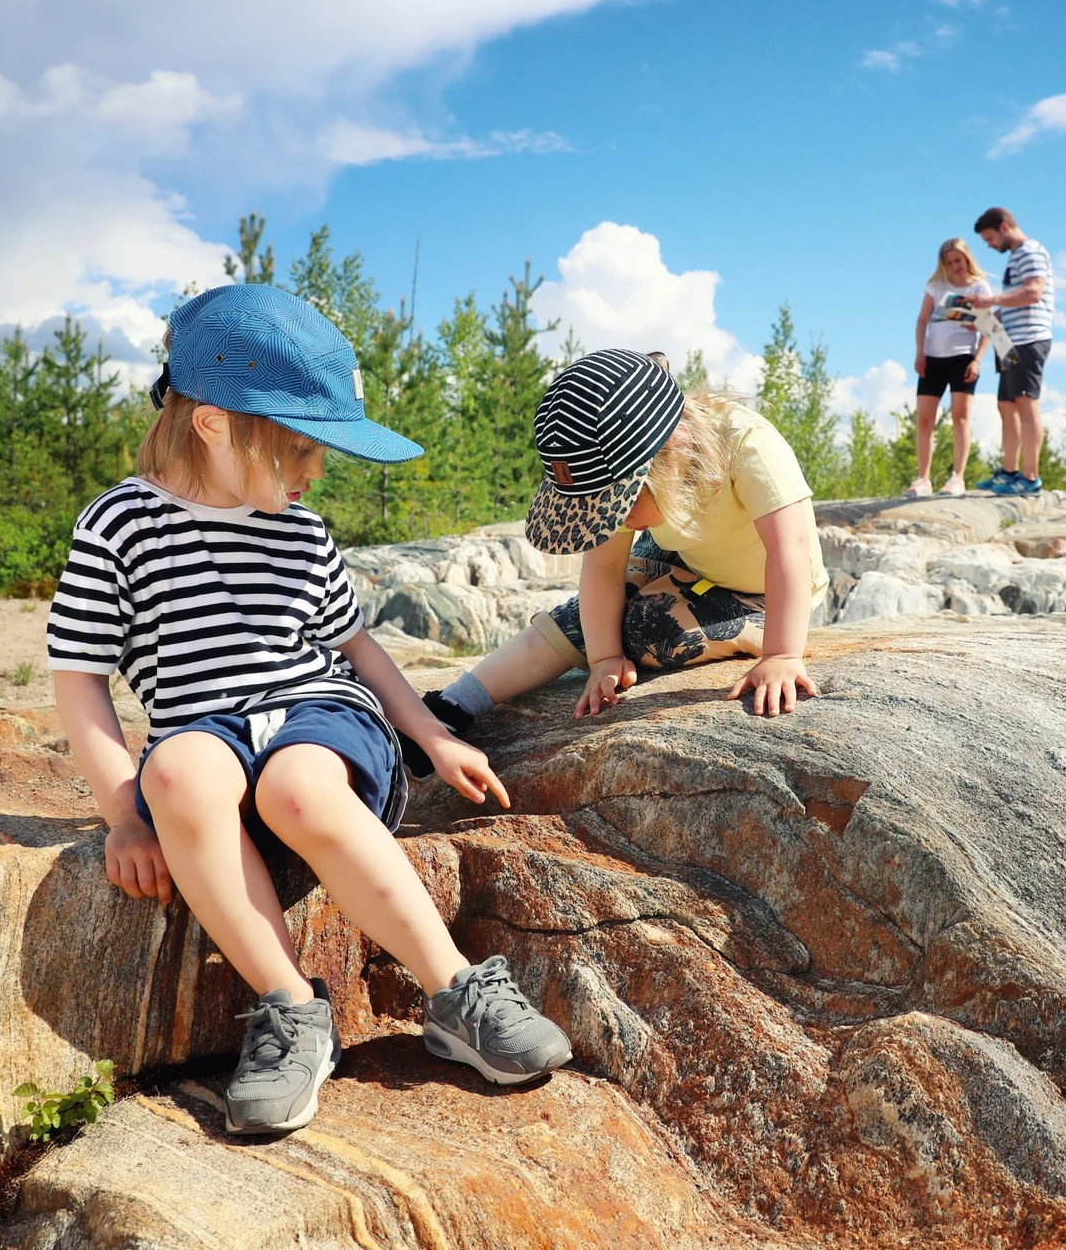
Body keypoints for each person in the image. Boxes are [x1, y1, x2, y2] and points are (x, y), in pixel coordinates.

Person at [48, 284, 571, 1137]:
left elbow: (358, 647)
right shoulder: (121, 525)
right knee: (175, 774)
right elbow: (80, 676)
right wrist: (126, 814)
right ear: (213, 424)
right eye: (300, 448)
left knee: (298, 789)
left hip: (318, 713)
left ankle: (456, 990)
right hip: (203, 726)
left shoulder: (302, 530)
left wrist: (431, 733)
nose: (316, 470)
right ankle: (292, 1009)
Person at [407, 348, 827, 749]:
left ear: (670, 453)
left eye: (617, 504)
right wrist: (604, 658)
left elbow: (789, 548)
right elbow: (603, 570)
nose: (613, 520)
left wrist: (781, 655)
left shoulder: (747, 441)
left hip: (764, 592)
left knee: (650, 629)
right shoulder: (640, 488)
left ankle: (754, 632)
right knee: (584, 618)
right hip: (691, 560)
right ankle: (453, 706)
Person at [967, 206, 1054, 494]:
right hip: (1009, 342)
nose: (990, 245)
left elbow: (1033, 292)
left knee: (1026, 404)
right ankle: (1009, 471)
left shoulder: (1030, 252)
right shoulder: (1016, 257)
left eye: (990, 238)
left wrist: (991, 300)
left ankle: (1030, 478)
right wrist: (979, 321)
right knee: (1006, 404)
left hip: (1029, 339)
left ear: (1004, 227)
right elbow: (1012, 306)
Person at [907, 237, 995, 496]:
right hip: (932, 358)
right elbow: (922, 320)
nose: (955, 266)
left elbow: (989, 328)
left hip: (963, 357)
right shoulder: (936, 286)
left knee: (960, 417)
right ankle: (923, 478)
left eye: (958, 260)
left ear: (967, 258)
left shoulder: (980, 287)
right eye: (949, 262)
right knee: (924, 419)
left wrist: (977, 360)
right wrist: (920, 353)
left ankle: (958, 477)